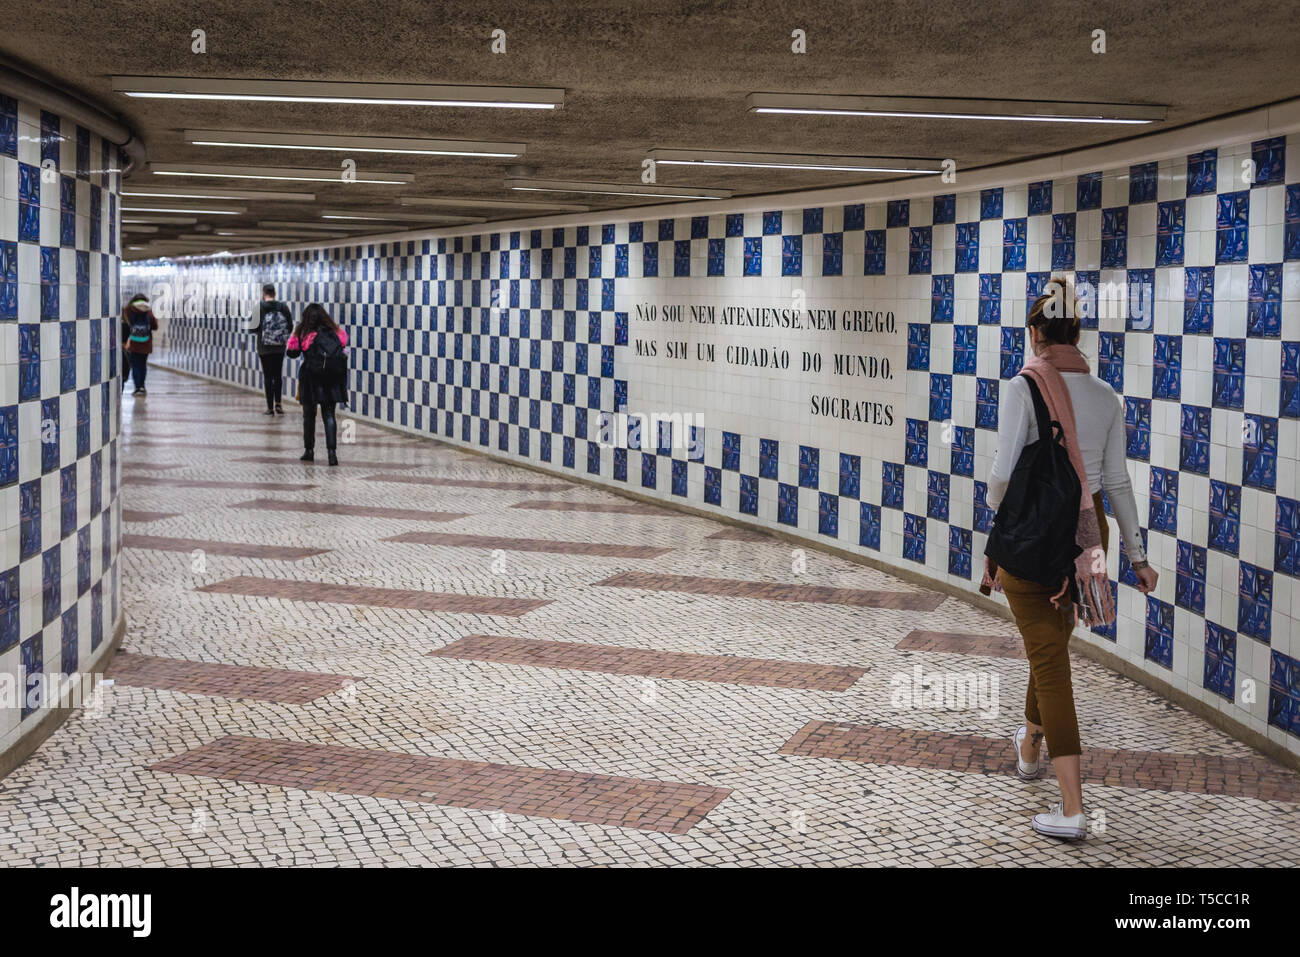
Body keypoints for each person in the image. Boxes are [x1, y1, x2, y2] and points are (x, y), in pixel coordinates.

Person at [984, 278, 1158, 841]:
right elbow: (1117, 483)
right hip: (1088, 542)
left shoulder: (1025, 386)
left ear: (1035, 334)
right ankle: (1029, 746)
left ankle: (1073, 809)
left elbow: (1001, 478)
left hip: (1036, 540)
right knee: (1050, 646)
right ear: (1075, 335)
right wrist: (1137, 556)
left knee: (1051, 664)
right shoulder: (1107, 398)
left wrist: (1003, 513)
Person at [285, 303, 348, 465]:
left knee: (309, 416)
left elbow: (292, 353)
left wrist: (296, 337)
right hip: (331, 379)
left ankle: (309, 450)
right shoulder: (335, 331)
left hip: (310, 378)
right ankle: (332, 454)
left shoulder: (303, 332)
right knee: (329, 415)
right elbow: (343, 345)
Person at [249, 283, 292, 415]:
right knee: (278, 375)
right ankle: (278, 404)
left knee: (268, 376)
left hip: (264, 348)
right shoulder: (283, 307)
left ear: (263, 293)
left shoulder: (259, 307)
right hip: (279, 347)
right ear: (275, 293)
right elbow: (290, 326)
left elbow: (252, 328)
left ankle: (270, 408)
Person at [121, 294, 159, 396]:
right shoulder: (148, 310)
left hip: (133, 342)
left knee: (135, 365)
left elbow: (126, 324)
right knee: (142, 365)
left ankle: (137, 387)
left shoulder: (129, 310)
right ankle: (142, 386)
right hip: (146, 343)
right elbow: (155, 326)